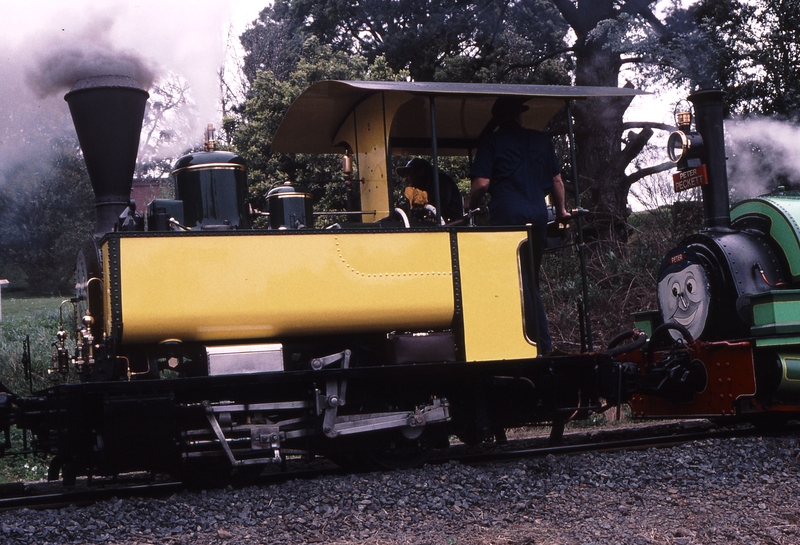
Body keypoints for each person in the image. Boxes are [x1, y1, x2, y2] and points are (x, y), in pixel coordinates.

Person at [466, 96, 571, 355]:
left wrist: (467, 205)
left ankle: (530, 346)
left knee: (510, 282)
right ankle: (539, 344)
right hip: (536, 217)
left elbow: (481, 184)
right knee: (530, 281)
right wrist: (561, 212)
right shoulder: (541, 140)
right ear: (519, 115)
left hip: (505, 220)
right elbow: (557, 181)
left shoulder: (491, 142)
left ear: (498, 118)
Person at [396, 158, 464, 223]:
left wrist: (418, 213)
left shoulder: (440, 181)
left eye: (408, 174)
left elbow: (437, 207)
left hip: (452, 225)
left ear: (420, 172)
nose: (406, 179)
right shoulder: (424, 189)